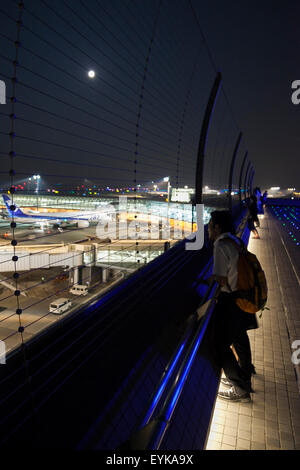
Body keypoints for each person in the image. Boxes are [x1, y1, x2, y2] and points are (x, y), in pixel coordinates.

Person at [208, 210, 255, 402]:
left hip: (231, 301)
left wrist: (211, 279)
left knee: (219, 345)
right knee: (240, 339)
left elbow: (221, 278)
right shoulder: (236, 241)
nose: (208, 229)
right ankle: (245, 378)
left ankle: (240, 387)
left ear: (217, 226)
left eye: (210, 225)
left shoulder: (220, 244)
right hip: (245, 296)